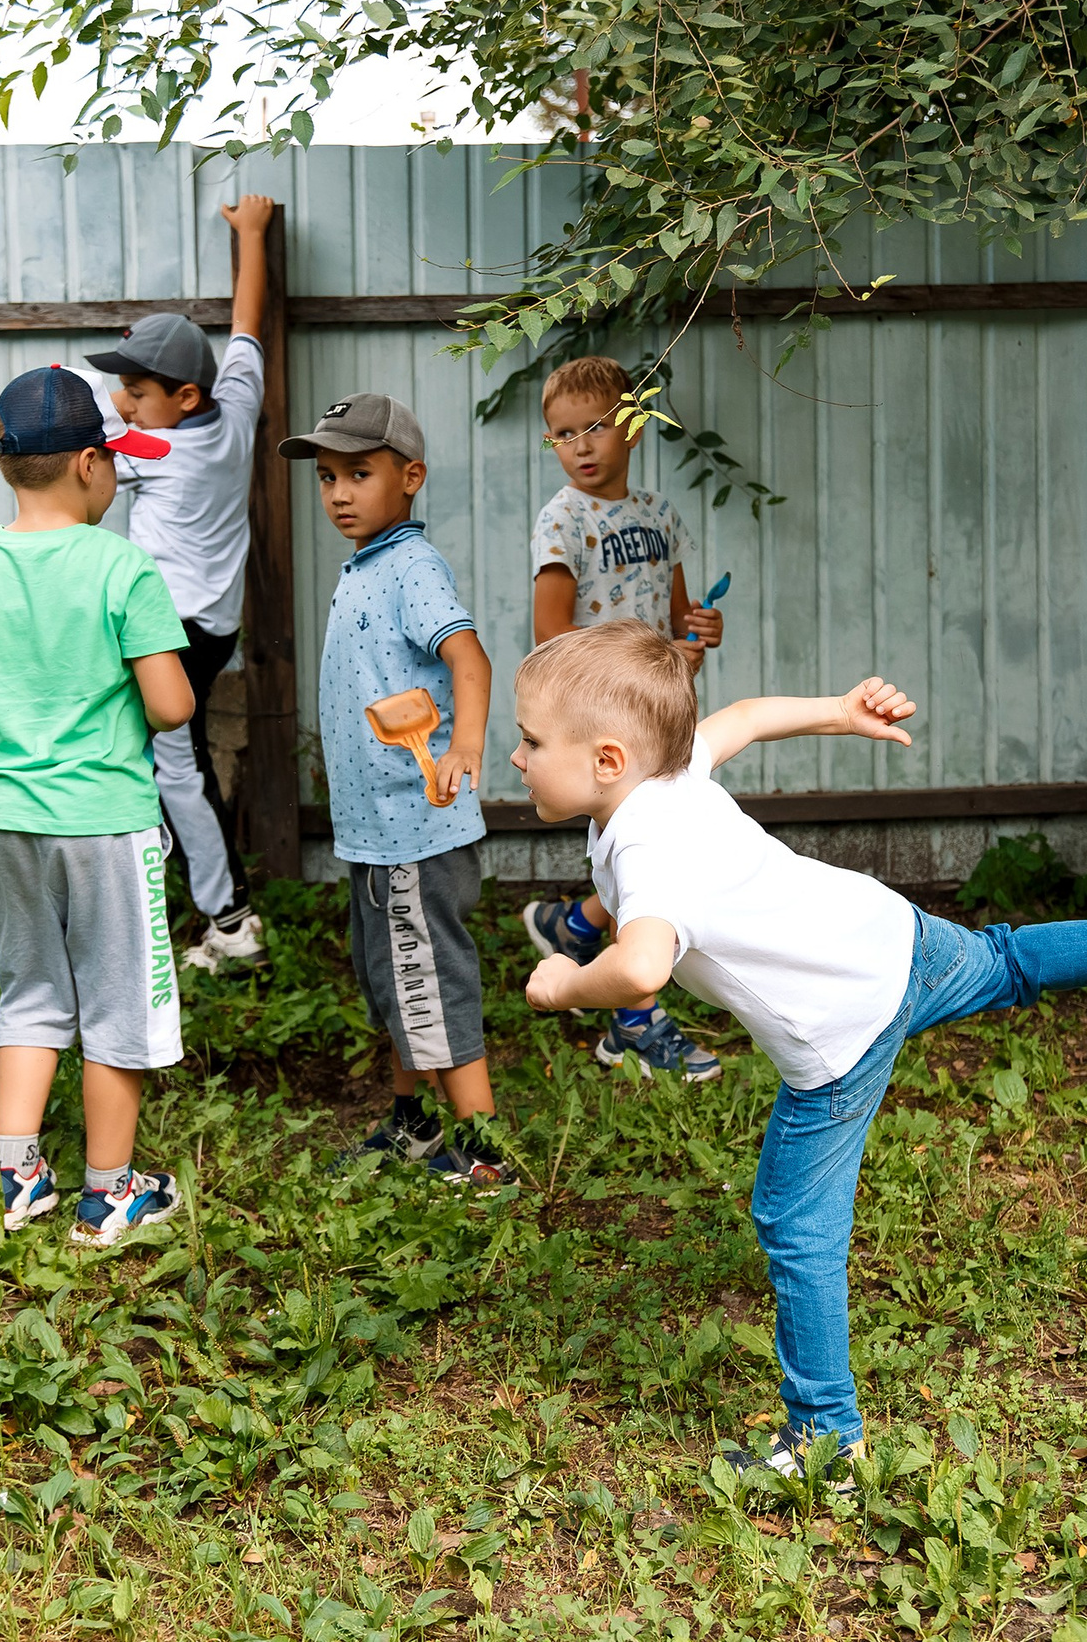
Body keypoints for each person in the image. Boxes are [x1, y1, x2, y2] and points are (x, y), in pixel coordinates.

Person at [511, 622, 1087, 1476]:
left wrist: (565, 981)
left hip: (838, 1035)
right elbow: (742, 717)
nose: (520, 758)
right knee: (1008, 959)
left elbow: (639, 969)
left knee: (795, 1221)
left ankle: (824, 1434)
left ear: (608, 759)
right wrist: (840, 709)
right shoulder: (667, 775)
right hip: (892, 937)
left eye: (531, 741)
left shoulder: (647, 846)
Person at [0, 366, 195, 1247]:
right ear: (85, 465)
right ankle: (110, 1193)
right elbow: (174, 704)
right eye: (111, 460)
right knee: (119, 999)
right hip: (106, 818)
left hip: (11, 817)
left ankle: (14, 1175)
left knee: (30, 991)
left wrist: (4, 704)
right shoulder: (120, 566)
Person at [279, 393, 506, 1187]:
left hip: (418, 825)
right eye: (327, 476)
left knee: (430, 981)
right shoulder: (368, 562)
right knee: (395, 981)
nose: (339, 492)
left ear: (409, 476)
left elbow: (468, 661)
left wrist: (466, 746)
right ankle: (414, 1123)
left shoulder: (411, 565)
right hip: (375, 829)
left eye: (360, 473)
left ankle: (485, 1157)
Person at [519, 356, 728, 1084]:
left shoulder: (660, 516)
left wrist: (699, 632)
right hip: (602, 727)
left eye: (596, 426)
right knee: (642, 854)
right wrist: (610, 683)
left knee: (648, 852)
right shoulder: (563, 519)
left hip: (655, 712)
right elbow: (551, 639)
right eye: (562, 433)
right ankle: (634, 1019)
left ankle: (575, 926)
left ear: (632, 427)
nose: (579, 444)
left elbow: (680, 626)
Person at [84, 194, 276, 972]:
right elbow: (248, 326)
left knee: (175, 763)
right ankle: (197, 903)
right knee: (169, 757)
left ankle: (230, 920)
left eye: (138, 391)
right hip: (214, 624)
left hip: (173, 627)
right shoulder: (236, 408)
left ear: (183, 397)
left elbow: (92, 459)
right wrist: (252, 237)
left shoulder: (157, 453)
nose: (125, 402)